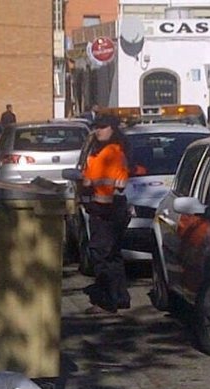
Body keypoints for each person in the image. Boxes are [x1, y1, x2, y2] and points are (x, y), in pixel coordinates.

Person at [81, 113, 131, 314]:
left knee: (100, 255)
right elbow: (87, 180)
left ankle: (106, 301)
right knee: (112, 256)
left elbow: (110, 187)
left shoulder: (112, 153)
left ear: (113, 129)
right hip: (106, 209)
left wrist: (98, 205)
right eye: (96, 127)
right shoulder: (97, 153)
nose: (98, 130)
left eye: (103, 127)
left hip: (107, 211)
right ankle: (119, 297)